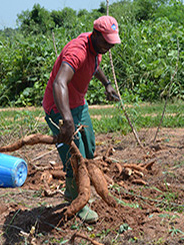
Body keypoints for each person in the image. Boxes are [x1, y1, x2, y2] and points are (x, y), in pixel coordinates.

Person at [42, 16, 121, 223]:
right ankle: (79, 202)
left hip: (78, 104)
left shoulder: (97, 48)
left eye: (111, 43)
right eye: (106, 42)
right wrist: (67, 120)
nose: (108, 47)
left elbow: (94, 65)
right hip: (59, 107)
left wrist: (107, 84)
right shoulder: (77, 50)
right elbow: (60, 82)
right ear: (94, 34)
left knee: (89, 147)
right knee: (75, 156)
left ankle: (75, 191)